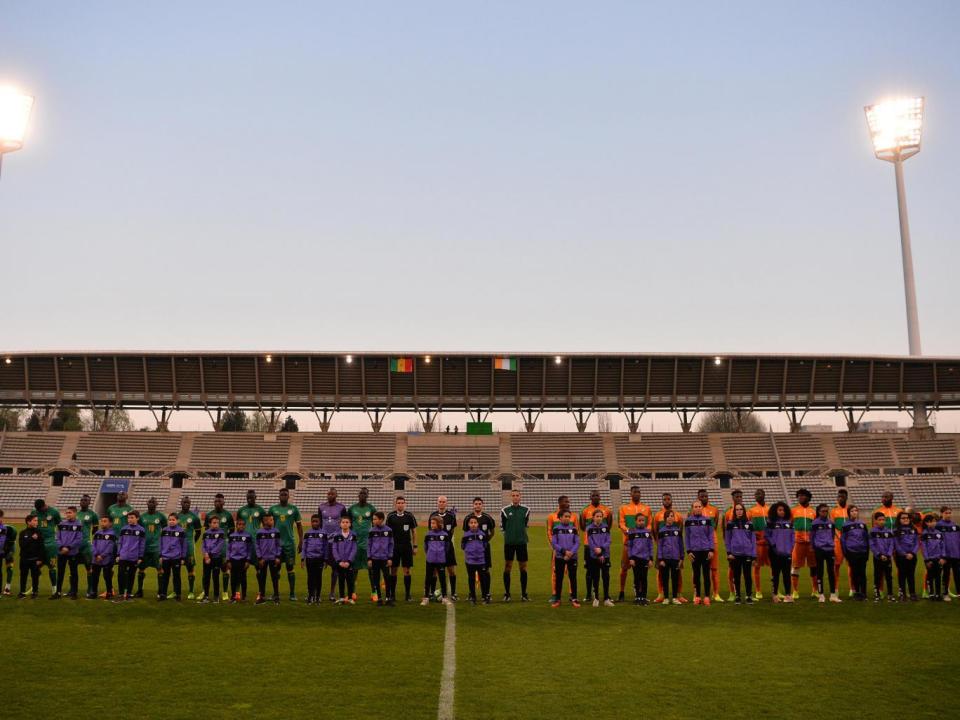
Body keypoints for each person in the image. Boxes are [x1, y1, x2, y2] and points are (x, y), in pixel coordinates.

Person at [617, 485, 652, 602]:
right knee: (624, 569)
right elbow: (621, 524)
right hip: (628, 544)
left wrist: (644, 531)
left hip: (642, 545)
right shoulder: (623, 508)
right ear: (630, 494)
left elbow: (650, 524)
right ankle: (621, 592)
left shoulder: (646, 508)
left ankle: (640, 593)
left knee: (641, 572)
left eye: (638, 492)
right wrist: (630, 532)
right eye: (634, 492)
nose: (637, 494)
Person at [269, 488, 303, 601]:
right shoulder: (273, 509)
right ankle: (275, 593)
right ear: (279, 496)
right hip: (276, 544)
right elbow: (268, 526)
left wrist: (301, 541)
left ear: (289, 496)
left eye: (285, 494)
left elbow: (299, 526)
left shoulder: (294, 509)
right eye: (281, 494)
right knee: (276, 569)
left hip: (289, 543)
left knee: (290, 568)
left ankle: (292, 594)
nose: (283, 496)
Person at [546, 496, 580, 603]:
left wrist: (571, 551)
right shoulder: (551, 516)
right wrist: (555, 548)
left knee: (571, 573)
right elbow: (549, 532)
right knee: (556, 572)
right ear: (560, 503)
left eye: (568, 501)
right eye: (566, 501)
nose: (568, 503)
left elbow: (577, 533)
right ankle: (555, 594)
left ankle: (572, 594)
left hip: (571, 552)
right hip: (558, 551)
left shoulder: (574, 516)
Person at [581, 489, 613, 602]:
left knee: (604, 572)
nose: (595, 497)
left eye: (597, 495)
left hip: (603, 546)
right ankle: (589, 594)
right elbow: (582, 526)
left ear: (600, 497)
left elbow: (608, 525)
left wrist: (602, 548)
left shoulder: (607, 510)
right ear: (590, 497)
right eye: (593, 495)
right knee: (590, 571)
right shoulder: (585, 510)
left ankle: (605, 595)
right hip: (589, 546)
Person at [653, 493, 685, 603]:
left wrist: (680, 554)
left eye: (668, 499)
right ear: (662, 501)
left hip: (675, 551)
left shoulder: (679, 516)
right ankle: (661, 594)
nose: (667, 501)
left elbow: (680, 533)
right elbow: (655, 531)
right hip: (663, 550)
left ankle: (678, 595)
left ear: (671, 500)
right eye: (665, 499)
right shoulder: (657, 515)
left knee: (677, 572)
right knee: (661, 573)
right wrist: (661, 546)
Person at [461, 497, 496, 599]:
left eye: (479, 503)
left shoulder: (488, 518)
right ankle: (471, 594)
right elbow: (465, 535)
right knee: (471, 572)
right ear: (473, 505)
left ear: (482, 505)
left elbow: (492, 532)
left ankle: (487, 593)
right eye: (476, 503)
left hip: (484, 549)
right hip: (471, 550)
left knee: (486, 571)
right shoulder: (468, 518)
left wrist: (485, 541)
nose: (477, 505)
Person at [500, 490, 530, 602]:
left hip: (522, 543)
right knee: (508, 567)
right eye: (513, 495)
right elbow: (502, 527)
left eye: (517, 495)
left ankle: (524, 594)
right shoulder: (505, 510)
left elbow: (525, 524)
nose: (515, 497)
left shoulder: (526, 510)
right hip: (509, 543)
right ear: (510, 497)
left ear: (520, 497)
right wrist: (510, 536)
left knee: (523, 568)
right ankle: (507, 594)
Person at [386, 496, 418, 602]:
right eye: (398, 503)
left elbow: (414, 532)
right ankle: (392, 595)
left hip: (406, 546)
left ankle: (408, 595)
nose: (400, 504)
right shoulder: (390, 516)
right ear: (395, 504)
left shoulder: (409, 516)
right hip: (394, 546)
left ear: (405, 504)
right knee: (393, 570)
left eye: (402, 503)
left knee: (407, 571)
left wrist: (415, 546)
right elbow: (387, 533)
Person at [204, 493, 235, 601]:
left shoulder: (228, 515)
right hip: (211, 548)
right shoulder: (209, 515)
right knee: (208, 571)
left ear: (223, 502)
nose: (217, 503)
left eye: (220, 501)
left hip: (224, 546)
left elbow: (232, 531)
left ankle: (225, 592)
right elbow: (206, 532)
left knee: (225, 568)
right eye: (216, 501)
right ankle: (206, 591)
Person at [724, 502, 756, 604]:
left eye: (741, 509)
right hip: (735, 554)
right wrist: (729, 552)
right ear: (734, 512)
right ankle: (737, 595)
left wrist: (753, 555)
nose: (739, 511)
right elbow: (727, 540)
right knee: (736, 576)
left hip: (747, 554)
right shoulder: (730, 524)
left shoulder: (749, 524)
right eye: (737, 510)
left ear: (744, 511)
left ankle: (748, 596)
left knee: (747, 576)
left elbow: (753, 540)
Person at [349, 487, 377, 601]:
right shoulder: (352, 509)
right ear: (358, 495)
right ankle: (353, 592)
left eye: (364, 494)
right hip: (355, 543)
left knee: (371, 569)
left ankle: (374, 592)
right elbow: (348, 524)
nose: (362, 495)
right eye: (360, 493)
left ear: (367, 496)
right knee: (354, 569)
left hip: (367, 544)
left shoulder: (371, 508)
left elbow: (375, 524)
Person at [685, 500, 715, 606]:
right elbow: (687, 537)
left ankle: (707, 596)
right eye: (695, 507)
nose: (697, 508)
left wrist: (711, 549)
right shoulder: (688, 521)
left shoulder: (707, 520)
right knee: (696, 575)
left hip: (706, 551)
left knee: (706, 575)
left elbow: (711, 535)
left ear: (702, 508)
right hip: (694, 552)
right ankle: (697, 596)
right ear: (692, 508)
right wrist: (688, 551)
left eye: (699, 506)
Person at [319, 488, 347, 601]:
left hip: (336, 542)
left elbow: (345, 523)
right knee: (319, 567)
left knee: (335, 568)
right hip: (323, 542)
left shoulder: (342, 507)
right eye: (328, 493)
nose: (330, 495)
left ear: (336, 495)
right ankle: (317, 593)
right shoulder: (321, 507)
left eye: (332, 494)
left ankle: (332, 593)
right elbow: (320, 523)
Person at [696, 489, 723, 602]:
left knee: (714, 569)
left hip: (713, 542)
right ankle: (696, 594)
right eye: (702, 497)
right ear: (698, 498)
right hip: (698, 545)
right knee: (697, 570)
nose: (704, 498)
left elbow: (715, 526)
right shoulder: (694, 510)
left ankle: (715, 593)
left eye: (706, 496)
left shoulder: (714, 510)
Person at [430, 496, 459, 601]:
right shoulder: (433, 515)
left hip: (448, 547)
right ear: (437, 503)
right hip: (436, 547)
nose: (441, 503)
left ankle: (454, 593)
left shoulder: (451, 516)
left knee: (451, 570)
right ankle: (432, 593)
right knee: (434, 571)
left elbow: (452, 531)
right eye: (440, 502)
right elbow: (431, 532)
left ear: (446, 503)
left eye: (443, 502)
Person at [765, 502, 795, 603]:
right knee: (775, 574)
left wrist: (790, 548)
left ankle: (788, 595)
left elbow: (792, 536)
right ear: (775, 511)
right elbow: (767, 535)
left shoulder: (789, 523)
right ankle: (774, 595)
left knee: (787, 574)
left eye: (783, 510)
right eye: (779, 510)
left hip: (787, 552)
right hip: (775, 552)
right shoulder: (770, 522)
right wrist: (774, 546)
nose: (782, 512)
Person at [790, 488, 817, 600]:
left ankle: (815, 590)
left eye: (803, 495)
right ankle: (795, 591)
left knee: (814, 566)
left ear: (808, 497)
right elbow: (789, 525)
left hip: (811, 543)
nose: (800, 497)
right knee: (795, 566)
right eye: (799, 495)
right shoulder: (793, 510)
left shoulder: (814, 511)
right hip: (798, 543)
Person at [52, 506, 84, 600]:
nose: (68, 514)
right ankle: (58, 592)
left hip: (73, 552)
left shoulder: (79, 524)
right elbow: (57, 537)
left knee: (74, 572)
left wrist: (69, 547)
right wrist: (62, 547)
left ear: (75, 513)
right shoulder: (61, 524)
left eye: (70, 512)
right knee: (60, 572)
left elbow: (79, 539)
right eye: (66, 513)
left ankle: (74, 592)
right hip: (61, 552)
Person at [811, 503, 841, 603]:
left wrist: (830, 544)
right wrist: (815, 546)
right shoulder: (815, 523)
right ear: (818, 512)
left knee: (831, 572)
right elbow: (812, 537)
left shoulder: (831, 523)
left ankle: (833, 595)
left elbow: (832, 534)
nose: (825, 513)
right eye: (823, 511)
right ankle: (821, 594)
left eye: (826, 511)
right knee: (820, 572)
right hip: (819, 550)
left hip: (830, 550)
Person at [137, 496, 166, 598]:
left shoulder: (161, 517)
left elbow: (166, 530)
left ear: (157, 504)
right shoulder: (142, 517)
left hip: (156, 548)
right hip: (144, 548)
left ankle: (160, 592)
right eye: (150, 502)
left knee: (160, 569)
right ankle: (139, 591)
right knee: (141, 569)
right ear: (146, 503)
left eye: (153, 502)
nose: (151, 503)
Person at [840, 505, 870, 601]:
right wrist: (846, 553)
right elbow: (843, 540)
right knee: (855, 573)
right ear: (849, 513)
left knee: (862, 573)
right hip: (852, 552)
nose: (854, 512)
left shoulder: (862, 524)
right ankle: (857, 592)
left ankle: (864, 593)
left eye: (856, 511)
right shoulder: (845, 525)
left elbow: (866, 538)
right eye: (852, 511)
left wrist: (867, 551)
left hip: (862, 551)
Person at [586, 509, 614, 607]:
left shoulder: (605, 527)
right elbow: (590, 542)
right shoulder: (589, 528)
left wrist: (601, 549)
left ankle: (606, 598)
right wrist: (597, 553)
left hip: (605, 555)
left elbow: (609, 540)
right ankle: (596, 598)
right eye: (597, 516)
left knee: (606, 576)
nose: (599, 518)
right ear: (593, 517)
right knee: (596, 577)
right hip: (594, 556)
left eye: (600, 516)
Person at [115, 511, 145, 602]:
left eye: (132, 517)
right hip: (123, 556)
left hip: (134, 557)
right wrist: (118, 554)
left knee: (131, 576)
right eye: (128, 518)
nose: (130, 519)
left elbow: (142, 544)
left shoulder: (141, 530)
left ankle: (128, 594)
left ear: (137, 518)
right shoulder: (124, 529)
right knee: (121, 575)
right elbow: (120, 542)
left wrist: (140, 557)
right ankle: (121, 594)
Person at [461, 515, 491, 604]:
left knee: (483, 579)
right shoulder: (466, 535)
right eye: (471, 523)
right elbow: (463, 546)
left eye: (475, 522)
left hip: (481, 561)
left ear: (478, 524)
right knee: (471, 579)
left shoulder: (482, 534)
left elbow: (485, 545)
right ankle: (473, 597)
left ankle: (485, 596)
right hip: (470, 561)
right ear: (468, 524)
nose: (473, 524)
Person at [158, 512, 188, 601]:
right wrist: (160, 555)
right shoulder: (164, 530)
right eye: (170, 520)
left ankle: (177, 594)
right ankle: (163, 594)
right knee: (165, 576)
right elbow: (161, 543)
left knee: (176, 576)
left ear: (177, 521)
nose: (171, 521)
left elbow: (184, 545)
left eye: (173, 520)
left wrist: (183, 557)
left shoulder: (181, 531)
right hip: (165, 557)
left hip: (176, 557)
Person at [176, 496, 202, 600]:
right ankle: (176, 591)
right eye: (184, 502)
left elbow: (199, 532)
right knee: (175, 569)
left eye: (188, 503)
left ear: (190, 504)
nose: (186, 504)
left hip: (189, 546)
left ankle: (191, 591)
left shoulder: (194, 517)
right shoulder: (177, 516)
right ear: (181, 503)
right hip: (177, 547)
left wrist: (192, 542)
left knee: (190, 568)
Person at [422, 516, 452, 606]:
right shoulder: (428, 535)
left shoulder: (445, 535)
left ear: (439, 524)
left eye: (434, 523)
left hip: (441, 560)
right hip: (430, 560)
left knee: (442, 579)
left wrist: (440, 554)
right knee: (428, 578)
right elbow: (425, 547)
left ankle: (444, 598)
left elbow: (447, 547)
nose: (432, 525)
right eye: (431, 523)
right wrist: (430, 554)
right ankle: (426, 598)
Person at [829, 489, 853, 597]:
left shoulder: (851, 509)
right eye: (839, 496)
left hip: (850, 542)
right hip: (837, 542)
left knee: (851, 565)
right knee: (836, 566)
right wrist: (838, 535)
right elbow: (832, 526)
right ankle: (835, 588)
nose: (840, 498)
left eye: (842, 496)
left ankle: (852, 588)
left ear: (846, 497)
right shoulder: (833, 511)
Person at [626, 513, 654, 604]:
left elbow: (650, 546)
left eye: (643, 520)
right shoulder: (632, 532)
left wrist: (650, 559)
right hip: (635, 558)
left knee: (644, 578)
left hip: (645, 559)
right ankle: (638, 596)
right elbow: (629, 546)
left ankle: (643, 597)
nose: (641, 522)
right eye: (639, 520)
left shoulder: (647, 532)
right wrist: (630, 558)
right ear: (636, 521)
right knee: (637, 578)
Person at [747, 488, 770, 600]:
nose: (758, 495)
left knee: (773, 567)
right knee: (756, 567)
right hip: (757, 544)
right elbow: (748, 527)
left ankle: (775, 590)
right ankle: (758, 591)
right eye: (756, 494)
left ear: (764, 495)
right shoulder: (751, 511)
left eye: (760, 493)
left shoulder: (770, 509)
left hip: (769, 544)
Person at [721, 489, 744, 601]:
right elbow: (725, 531)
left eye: (740, 496)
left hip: (744, 547)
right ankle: (732, 592)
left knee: (746, 570)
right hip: (733, 547)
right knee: (732, 569)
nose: (739, 498)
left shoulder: (746, 512)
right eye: (737, 497)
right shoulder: (728, 512)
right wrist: (728, 547)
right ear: (733, 498)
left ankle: (746, 592)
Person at [34, 498, 62, 590]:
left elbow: (60, 525)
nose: (39, 511)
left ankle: (54, 590)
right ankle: (35, 589)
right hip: (38, 543)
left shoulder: (54, 512)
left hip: (51, 544)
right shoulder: (34, 512)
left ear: (44, 505)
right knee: (35, 566)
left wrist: (59, 538)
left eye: (40, 509)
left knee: (52, 566)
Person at [367, 511, 394, 606]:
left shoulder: (389, 530)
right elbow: (369, 545)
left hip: (385, 559)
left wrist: (390, 557)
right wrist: (369, 558)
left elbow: (391, 544)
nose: (373, 521)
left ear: (381, 519)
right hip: (374, 559)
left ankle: (388, 598)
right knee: (376, 579)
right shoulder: (371, 531)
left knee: (387, 578)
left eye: (375, 519)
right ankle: (379, 598)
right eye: (373, 519)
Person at [656, 510, 683, 605]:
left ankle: (675, 597)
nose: (670, 518)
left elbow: (680, 544)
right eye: (668, 516)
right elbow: (659, 546)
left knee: (675, 578)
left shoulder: (677, 530)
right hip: (665, 559)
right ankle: (666, 598)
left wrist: (681, 558)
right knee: (665, 579)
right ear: (665, 518)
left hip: (675, 558)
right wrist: (661, 559)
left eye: (672, 516)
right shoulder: (662, 531)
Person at [76, 494, 99, 599]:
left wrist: (90, 540)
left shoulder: (93, 515)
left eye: (85, 500)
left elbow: (95, 530)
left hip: (86, 544)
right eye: (82, 500)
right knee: (73, 567)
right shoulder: (76, 514)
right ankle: (73, 589)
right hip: (75, 545)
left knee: (89, 567)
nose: (83, 501)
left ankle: (90, 589)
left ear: (89, 502)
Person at [255, 513, 282, 605]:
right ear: (264, 521)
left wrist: (278, 557)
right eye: (268, 520)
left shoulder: (276, 531)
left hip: (273, 559)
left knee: (274, 578)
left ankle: (276, 597)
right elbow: (257, 546)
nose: (270, 521)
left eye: (272, 520)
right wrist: (260, 558)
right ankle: (262, 597)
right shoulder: (259, 532)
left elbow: (279, 545)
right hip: (263, 560)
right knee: (262, 578)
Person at [330, 516, 358, 604]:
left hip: (349, 563)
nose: (345, 524)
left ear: (350, 524)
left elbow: (354, 549)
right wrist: (339, 561)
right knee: (341, 579)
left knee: (350, 580)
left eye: (347, 522)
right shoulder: (337, 535)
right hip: (340, 563)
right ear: (340, 524)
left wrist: (349, 561)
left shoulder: (353, 535)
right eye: (343, 522)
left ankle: (350, 598)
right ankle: (342, 597)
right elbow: (334, 549)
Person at [869, 511, 896, 603]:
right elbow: (872, 545)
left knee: (889, 576)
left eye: (883, 520)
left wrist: (888, 554)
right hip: (878, 558)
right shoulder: (872, 532)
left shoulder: (888, 531)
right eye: (879, 520)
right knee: (877, 576)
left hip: (887, 557)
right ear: (875, 521)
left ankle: (890, 595)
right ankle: (877, 595)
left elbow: (892, 544)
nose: (882, 521)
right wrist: (879, 555)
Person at [893, 510, 919, 601]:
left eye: (907, 518)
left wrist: (912, 553)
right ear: (899, 520)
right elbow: (896, 544)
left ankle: (912, 593)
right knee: (902, 575)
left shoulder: (914, 529)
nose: (905, 519)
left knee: (911, 575)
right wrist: (904, 554)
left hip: (912, 556)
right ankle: (902, 594)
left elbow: (916, 543)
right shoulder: (896, 530)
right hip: (901, 556)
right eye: (903, 518)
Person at [200, 514, 226, 604]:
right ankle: (206, 596)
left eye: (217, 523)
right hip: (206, 558)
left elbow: (219, 546)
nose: (216, 524)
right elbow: (203, 545)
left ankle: (216, 597)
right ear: (210, 524)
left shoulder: (221, 533)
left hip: (215, 558)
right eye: (214, 523)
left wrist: (209, 555)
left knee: (215, 577)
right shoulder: (206, 533)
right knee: (206, 577)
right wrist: (205, 554)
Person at [302, 514, 327, 605]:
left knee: (318, 578)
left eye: (317, 521)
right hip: (310, 559)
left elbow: (325, 547)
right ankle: (310, 596)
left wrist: (325, 559)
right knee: (310, 578)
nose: (315, 523)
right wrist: (302, 559)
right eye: (313, 521)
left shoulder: (323, 533)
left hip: (319, 559)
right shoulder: (308, 533)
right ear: (311, 522)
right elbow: (304, 547)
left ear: (320, 522)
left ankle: (318, 596)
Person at [17, 514, 44, 599]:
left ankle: (35, 592)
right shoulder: (22, 533)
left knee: (35, 576)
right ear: (29, 522)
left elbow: (41, 546)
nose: (37, 522)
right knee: (23, 576)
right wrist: (32, 538)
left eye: (37, 520)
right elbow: (22, 545)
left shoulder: (39, 532)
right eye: (35, 520)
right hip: (24, 559)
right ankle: (22, 592)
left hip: (35, 559)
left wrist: (40, 559)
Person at [227, 516, 254, 602]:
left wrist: (248, 560)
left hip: (243, 560)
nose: (241, 526)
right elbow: (228, 549)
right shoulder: (232, 536)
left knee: (243, 579)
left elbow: (250, 549)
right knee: (233, 579)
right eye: (239, 524)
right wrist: (228, 560)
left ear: (245, 526)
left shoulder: (247, 536)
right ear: (236, 525)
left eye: (242, 525)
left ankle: (244, 596)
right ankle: (233, 596)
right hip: (233, 560)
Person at [920, 514, 946, 602]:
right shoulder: (924, 534)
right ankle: (931, 594)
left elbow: (943, 546)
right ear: (927, 523)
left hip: (939, 559)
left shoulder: (939, 533)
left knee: (938, 577)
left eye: (935, 521)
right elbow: (924, 548)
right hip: (930, 559)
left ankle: (938, 594)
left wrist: (943, 557)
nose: (934, 523)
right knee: (930, 577)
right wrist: (927, 560)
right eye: (931, 521)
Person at [90, 516, 117, 599]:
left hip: (106, 559)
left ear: (110, 523)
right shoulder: (97, 533)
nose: (102, 523)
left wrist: (102, 555)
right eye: (101, 521)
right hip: (96, 559)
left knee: (107, 577)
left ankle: (109, 592)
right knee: (95, 576)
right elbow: (93, 544)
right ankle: (94, 592)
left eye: (105, 521)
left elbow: (110, 547)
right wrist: (96, 554)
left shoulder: (112, 534)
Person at [935, 506, 959, 600]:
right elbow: (937, 542)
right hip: (945, 555)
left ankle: (959, 592)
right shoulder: (938, 526)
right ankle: (945, 593)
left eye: (949, 513)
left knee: (958, 574)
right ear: (941, 514)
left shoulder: (955, 525)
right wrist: (941, 555)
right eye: (946, 513)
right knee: (946, 574)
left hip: (956, 554)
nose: (948, 515)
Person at [0, 509, 18, 595]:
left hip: (8, 550)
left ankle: (7, 587)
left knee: (9, 567)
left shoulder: (11, 530)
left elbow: (12, 543)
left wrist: (10, 552)